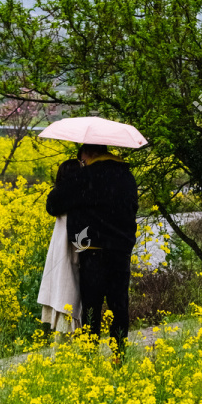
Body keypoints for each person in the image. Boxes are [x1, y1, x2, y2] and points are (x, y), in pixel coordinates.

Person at [45, 143, 138, 351]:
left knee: (91, 309)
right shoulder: (127, 177)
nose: (82, 163)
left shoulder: (86, 176)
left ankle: (89, 357)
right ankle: (118, 357)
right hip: (121, 251)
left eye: (82, 159)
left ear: (89, 153)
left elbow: (53, 205)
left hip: (92, 252)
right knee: (119, 306)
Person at [38, 159, 83, 334]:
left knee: (64, 293)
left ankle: (65, 346)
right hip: (72, 251)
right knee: (70, 295)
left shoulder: (59, 197)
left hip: (61, 252)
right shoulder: (76, 197)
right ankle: (70, 344)